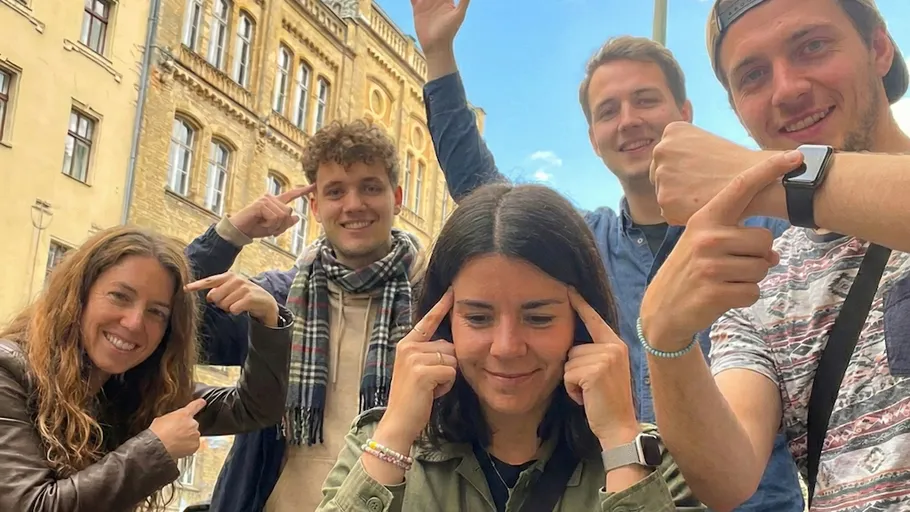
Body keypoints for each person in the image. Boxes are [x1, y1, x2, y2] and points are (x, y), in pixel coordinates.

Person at [409, 0, 803, 508]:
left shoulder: (766, 229)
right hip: (622, 496)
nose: (629, 121)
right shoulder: (585, 242)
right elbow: (482, 195)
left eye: (645, 100)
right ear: (593, 139)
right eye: (608, 111)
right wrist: (439, 55)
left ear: (685, 113)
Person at [640, 0, 910, 509]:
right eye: (753, 75)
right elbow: (726, 476)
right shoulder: (763, 276)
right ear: (737, 109)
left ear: (878, 47)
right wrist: (664, 337)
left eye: (812, 46)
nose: (786, 90)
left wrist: (771, 177)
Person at [317, 183, 704, 511]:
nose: (506, 347)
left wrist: (621, 444)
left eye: (538, 318)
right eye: (479, 318)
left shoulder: (649, 457)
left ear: (583, 324)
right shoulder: (377, 441)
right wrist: (395, 435)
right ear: (443, 321)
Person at [186, 119, 428, 512]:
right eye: (336, 191)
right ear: (315, 206)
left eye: (370, 187)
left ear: (396, 197)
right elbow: (174, 327)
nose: (354, 204)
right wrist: (232, 233)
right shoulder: (276, 300)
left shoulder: (430, 304)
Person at [0, 226, 293, 511]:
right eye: (120, 296)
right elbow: (31, 505)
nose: (134, 323)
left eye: (156, 312)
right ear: (78, 295)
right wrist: (156, 448)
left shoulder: (133, 387)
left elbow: (254, 409)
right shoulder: (9, 371)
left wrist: (268, 319)